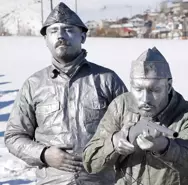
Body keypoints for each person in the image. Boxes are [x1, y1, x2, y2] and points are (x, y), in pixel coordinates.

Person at [5, 2, 127, 185]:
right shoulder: (34, 85)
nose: (60, 36)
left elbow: (130, 126)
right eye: (53, 31)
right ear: (45, 39)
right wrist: (44, 154)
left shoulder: (107, 80)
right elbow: (14, 136)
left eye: (68, 30)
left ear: (83, 36)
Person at [83, 47, 188, 185]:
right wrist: (114, 143)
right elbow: (90, 162)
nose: (145, 98)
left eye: (154, 90)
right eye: (138, 89)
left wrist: (164, 146)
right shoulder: (121, 106)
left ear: (168, 86)